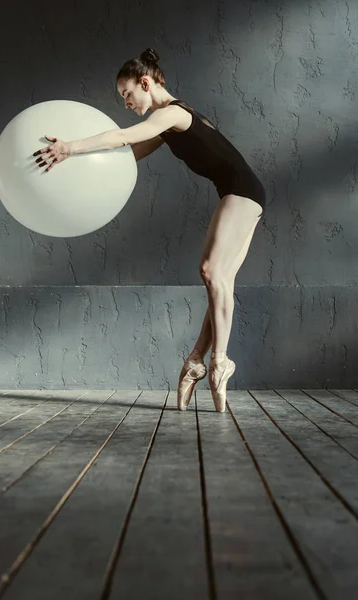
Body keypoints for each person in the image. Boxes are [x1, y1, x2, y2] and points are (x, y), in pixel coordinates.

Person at [33, 47, 266, 413]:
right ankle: (195, 362)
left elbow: (124, 137)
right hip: (245, 192)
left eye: (127, 94)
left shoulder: (171, 113)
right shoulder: (169, 122)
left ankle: (220, 362)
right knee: (220, 282)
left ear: (145, 82)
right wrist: (76, 167)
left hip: (242, 191)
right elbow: (130, 154)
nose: (126, 102)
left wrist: (70, 147)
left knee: (210, 271)